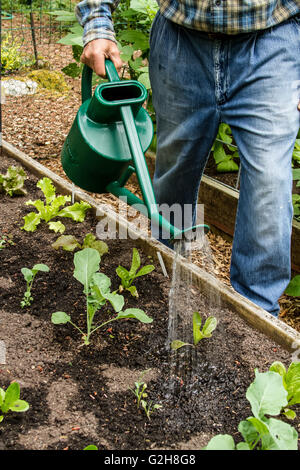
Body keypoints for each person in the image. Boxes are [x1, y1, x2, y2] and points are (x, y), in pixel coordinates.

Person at [75, 0, 300, 318]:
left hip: (271, 43)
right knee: (175, 170)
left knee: (270, 181)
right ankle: (162, 284)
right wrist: (97, 22)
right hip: (181, 43)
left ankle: (256, 320)